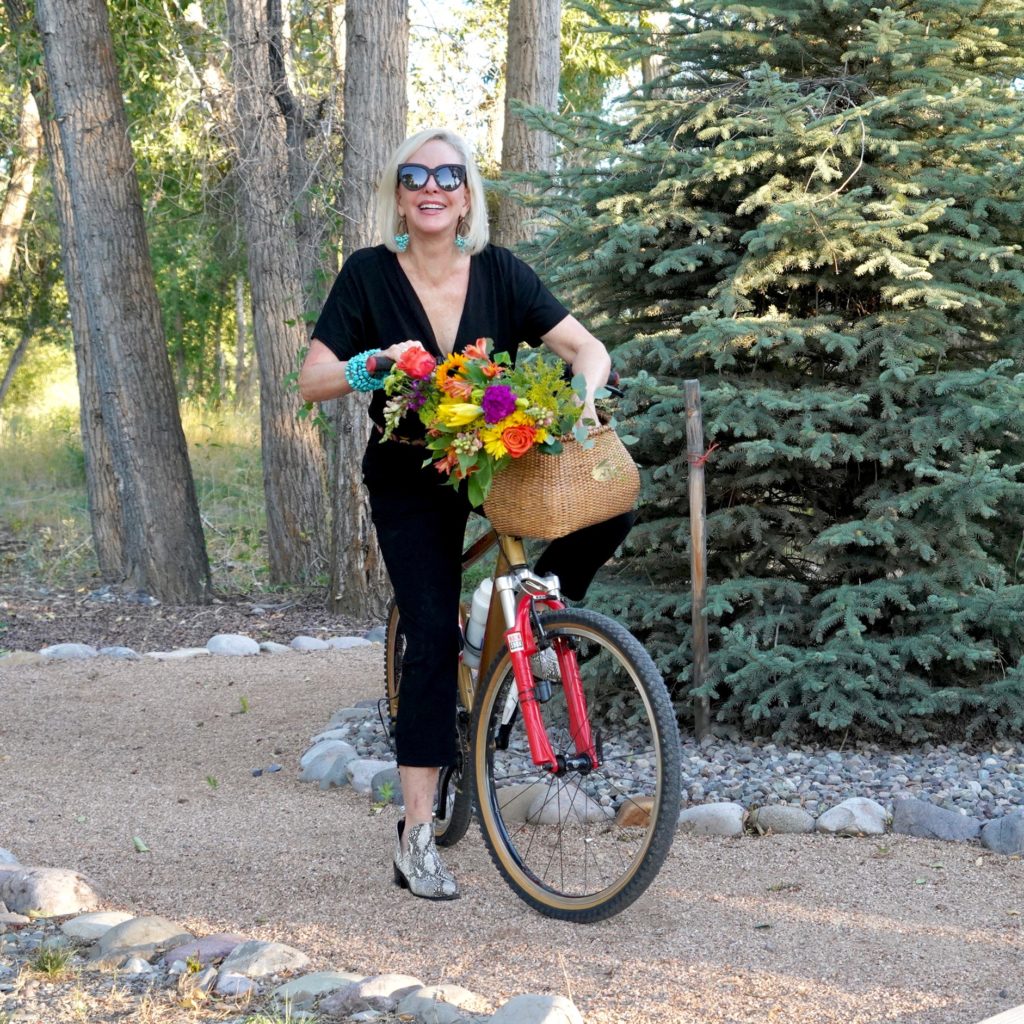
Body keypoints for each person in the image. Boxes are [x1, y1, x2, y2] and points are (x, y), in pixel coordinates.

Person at [299, 127, 633, 901]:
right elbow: (312, 377)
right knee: (429, 633)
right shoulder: (368, 276)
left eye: (448, 175)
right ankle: (417, 834)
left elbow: (588, 350)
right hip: (410, 477)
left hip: (496, 463)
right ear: (399, 193)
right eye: (415, 174)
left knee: (606, 512)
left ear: (467, 196)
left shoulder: (502, 273)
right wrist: (367, 365)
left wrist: (580, 404)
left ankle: (523, 619)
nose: (432, 187)